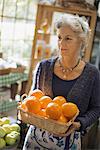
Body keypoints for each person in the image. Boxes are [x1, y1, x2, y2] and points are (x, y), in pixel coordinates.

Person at [23, 14, 100, 150]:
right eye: (59, 37)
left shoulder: (92, 74)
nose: (61, 43)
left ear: (81, 42)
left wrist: (79, 124)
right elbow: (32, 99)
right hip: (36, 139)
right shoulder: (44, 67)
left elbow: (96, 108)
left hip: (68, 142)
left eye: (68, 39)